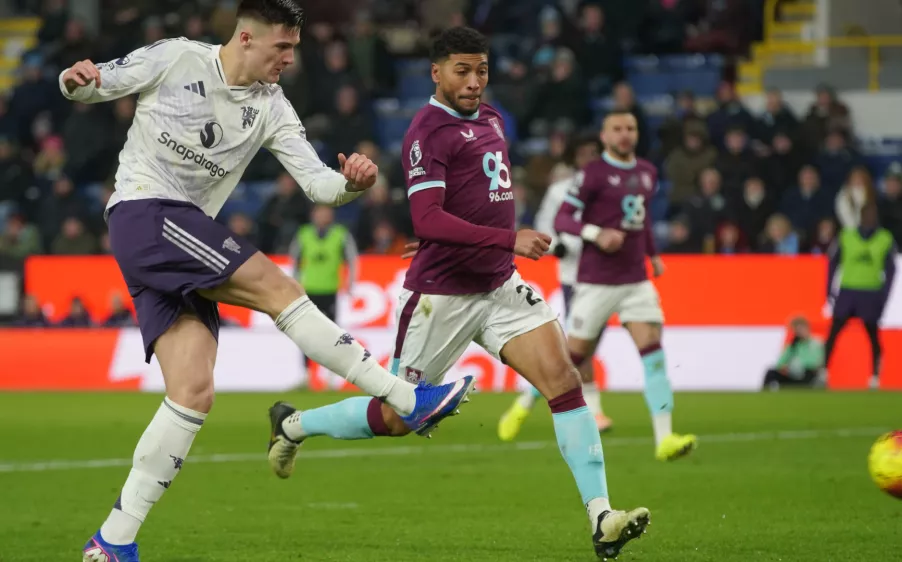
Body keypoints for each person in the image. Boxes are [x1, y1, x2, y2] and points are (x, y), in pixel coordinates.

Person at [66, 2, 475, 561]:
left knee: (192, 393)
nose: (289, 58)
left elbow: (319, 186)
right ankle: (405, 397)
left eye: (293, 49)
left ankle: (112, 540)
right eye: (281, 47)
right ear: (246, 37)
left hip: (180, 235)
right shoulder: (178, 57)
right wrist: (75, 80)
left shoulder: (272, 108)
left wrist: (353, 184)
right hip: (146, 211)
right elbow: (96, 84)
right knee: (278, 288)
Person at [266, 27, 650, 560]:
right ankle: (293, 424)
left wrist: (472, 242)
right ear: (436, 73)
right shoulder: (426, 133)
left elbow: (466, 203)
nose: (474, 82)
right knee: (396, 418)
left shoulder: (492, 119)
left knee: (564, 382)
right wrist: (502, 240)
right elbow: (426, 215)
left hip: (499, 286)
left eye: (482, 71)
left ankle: (601, 516)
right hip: (440, 297)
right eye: (462, 71)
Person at [555, 109, 696, 462]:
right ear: (604, 136)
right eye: (617, 129)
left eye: (630, 128)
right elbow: (563, 218)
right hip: (596, 282)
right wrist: (596, 233)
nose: (624, 134)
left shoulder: (647, 173)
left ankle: (665, 438)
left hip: (636, 280)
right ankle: (525, 403)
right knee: (571, 359)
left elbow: (642, 221)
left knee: (654, 355)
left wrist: (653, 254)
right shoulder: (592, 173)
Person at [497, 132, 616, 440]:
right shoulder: (561, 190)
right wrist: (558, 245)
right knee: (580, 346)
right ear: (574, 158)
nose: (590, 158)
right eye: (584, 153)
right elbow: (546, 224)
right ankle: (595, 411)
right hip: (575, 276)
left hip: (607, 276)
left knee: (581, 347)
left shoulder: (610, 188)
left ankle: (525, 402)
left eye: (594, 152)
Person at [824, 202, 896, 390]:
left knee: (872, 334)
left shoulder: (885, 239)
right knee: (834, 332)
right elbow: (833, 262)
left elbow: (891, 269)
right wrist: (829, 289)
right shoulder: (846, 236)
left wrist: (885, 293)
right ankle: (823, 371)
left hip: (871, 292)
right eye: (866, 214)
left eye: (872, 214)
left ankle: (874, 376)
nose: (869, 218)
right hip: (848, 290)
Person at [288, 204, 358, 322]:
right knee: (309, 325)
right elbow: (294, 259)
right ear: (313, 215)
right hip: (308, 288)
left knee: (331, 325)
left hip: (331, 289)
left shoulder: (340, 234)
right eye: (320, 213)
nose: (322, 217)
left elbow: (352, 259)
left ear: (332, 216)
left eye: (326, 214)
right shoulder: (304, 234)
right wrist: (295, 282)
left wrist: (350, 282)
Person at [761, 316, 824, 389]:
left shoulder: (816, 343)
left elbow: (817, 362)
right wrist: (784, 367)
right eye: (796, 329)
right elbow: (780, 362)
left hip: (807, 374)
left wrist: (800, 366)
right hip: (792, 374)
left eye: (801, 328)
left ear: (807, 328)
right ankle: (764, 394)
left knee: (810, 373)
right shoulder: (793, 345)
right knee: (771, 373)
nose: (799, 332)